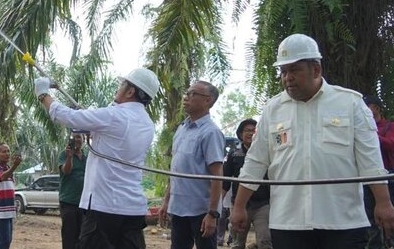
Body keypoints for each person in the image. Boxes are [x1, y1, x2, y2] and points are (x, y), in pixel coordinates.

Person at [230, 33, 394, 249]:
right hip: (288, 222)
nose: (287, 77)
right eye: (283, 71)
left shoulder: (350, 103)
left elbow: (370, 159)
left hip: (342, 222)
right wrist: (239, 205)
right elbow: (256, 161)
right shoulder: (273, 109)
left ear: (316, 69)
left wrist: (383, 202)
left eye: (294, 70)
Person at [34, 67, 159, 249]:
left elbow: (65, 116)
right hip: (132, 209)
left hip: (104, 207)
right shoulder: (147, 123)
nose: (118, 88)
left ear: (131, 91)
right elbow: (97, 130)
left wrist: (42, 93)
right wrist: (87, 119)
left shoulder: (114, 115)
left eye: (122, 84)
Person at [158, 80, 225, 249]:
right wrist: (166, 202)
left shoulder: (211, 133)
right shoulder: (182, 129)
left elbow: (217, 176)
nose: (186, 97)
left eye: (192, 94)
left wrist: (212, 214)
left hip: (201, 212)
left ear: (208, 100)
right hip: (179, 209)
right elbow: (176, 170)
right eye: (186, 93)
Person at [223, 119, 271, 249]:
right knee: (237, 243)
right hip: (239, 206)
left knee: (265, 241)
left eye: (254, 131)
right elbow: (225, 181)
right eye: (247, 131)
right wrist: (214, 207)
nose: (250, 133)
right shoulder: (233, 155)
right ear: (240, 134)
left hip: (262, 205)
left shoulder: (268, 154)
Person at [363, 95, 394, 248]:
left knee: (390, 212)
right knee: (370, 216)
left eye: (367, 106)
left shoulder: (389, 127)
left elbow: (391, 144)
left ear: (375, 108)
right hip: (367, 178)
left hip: (389, 176)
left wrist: (370, 135)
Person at [0, 143, 22, 249]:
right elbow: (2, 177)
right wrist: (14, 166)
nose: (7, 154)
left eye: (8, 151)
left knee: (5, 241)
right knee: (3, 243)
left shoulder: (7, 167)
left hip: (8, 211)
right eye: (4, 151)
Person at [58, 133, 87, 249]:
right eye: (74, 137)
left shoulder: (86, 157)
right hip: (68, 202)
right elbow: (66, 171)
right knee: (69, 236)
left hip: (84, 203)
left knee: (82, 237)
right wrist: (69, 157)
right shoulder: (64, 154)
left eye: (79, 137)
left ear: (84, 139)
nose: (76, 139)